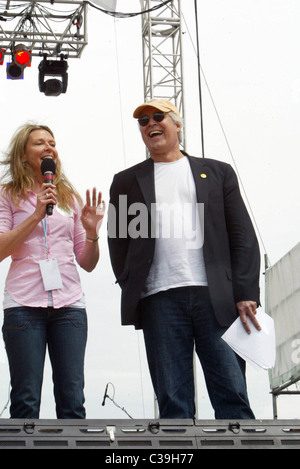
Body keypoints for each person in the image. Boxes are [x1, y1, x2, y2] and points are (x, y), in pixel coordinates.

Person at [108, 99, 261, 420]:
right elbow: (118, 240)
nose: (151, 124)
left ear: (177, 124)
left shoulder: (217, 173)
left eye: (158, 117)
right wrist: (132, 284)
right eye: (143, 121)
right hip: (159, 301)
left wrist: (246, 292)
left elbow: (243, 236)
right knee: (173, 402)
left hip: (216, 299)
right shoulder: (125, 181)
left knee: (232, 392)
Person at [0, 123, 105, 419]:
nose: (48, 148)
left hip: (70, 305)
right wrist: (36, 214)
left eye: (52, 142)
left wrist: (93, 233)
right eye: (39, 143)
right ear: (23, 155)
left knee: (72, 398)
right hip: (23, 305)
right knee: (25, 397)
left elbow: (87, 262)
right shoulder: (7, 195)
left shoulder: (69, 197)